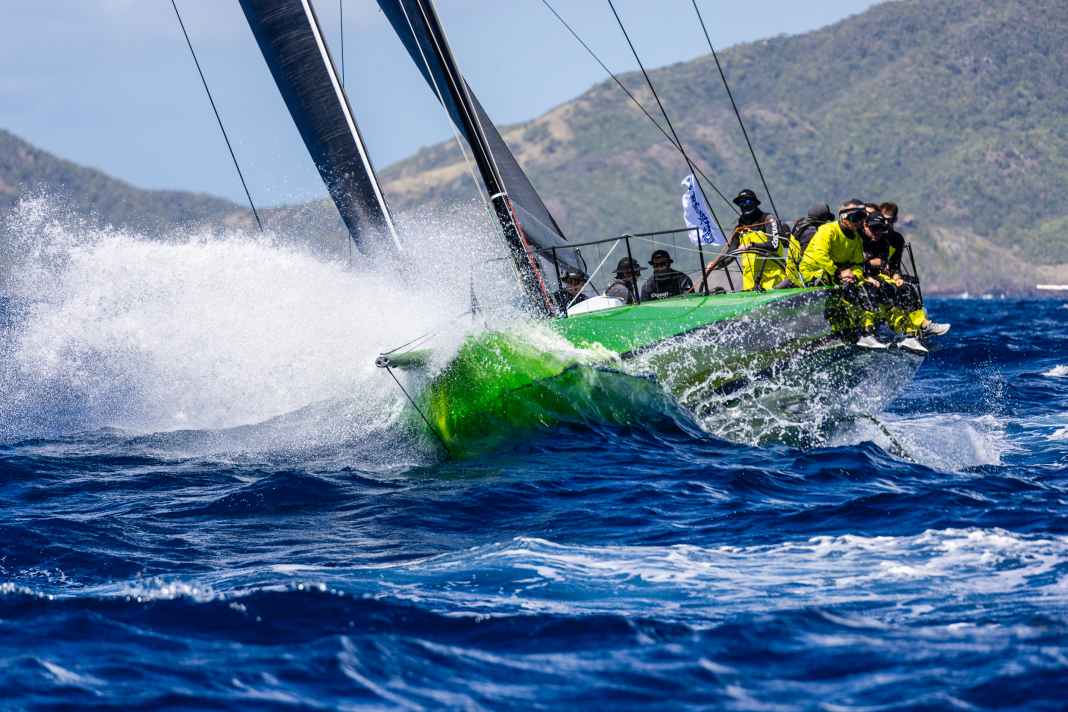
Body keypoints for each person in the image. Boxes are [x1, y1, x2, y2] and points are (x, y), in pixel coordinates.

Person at [880, 201, 950, 337]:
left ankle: (918, 328)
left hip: (890, 277)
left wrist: (898, 277)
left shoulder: (897, 239)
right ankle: (912, 327)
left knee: (908, 289)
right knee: (895, 292)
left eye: (890, 220)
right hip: (875, 277)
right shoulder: (873, 235)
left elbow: (895, 265)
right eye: (884, 220)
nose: (886, 223)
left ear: (895, 220)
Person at [704, 188, 787, 291]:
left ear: (755, 203)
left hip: (774, 282)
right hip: (750, 286)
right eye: (741, 203)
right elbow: (731, 255)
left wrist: (751, 246)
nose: (744, 205)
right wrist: (715, 265)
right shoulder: (740, 228)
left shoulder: (768, 220)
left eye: (747, 201)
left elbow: (773, 245)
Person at [779, 203, 834, 287]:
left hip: (792, 274)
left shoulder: (800, 225)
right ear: (823, 219)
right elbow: (809, 258)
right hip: (805, 276)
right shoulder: (812, 232)